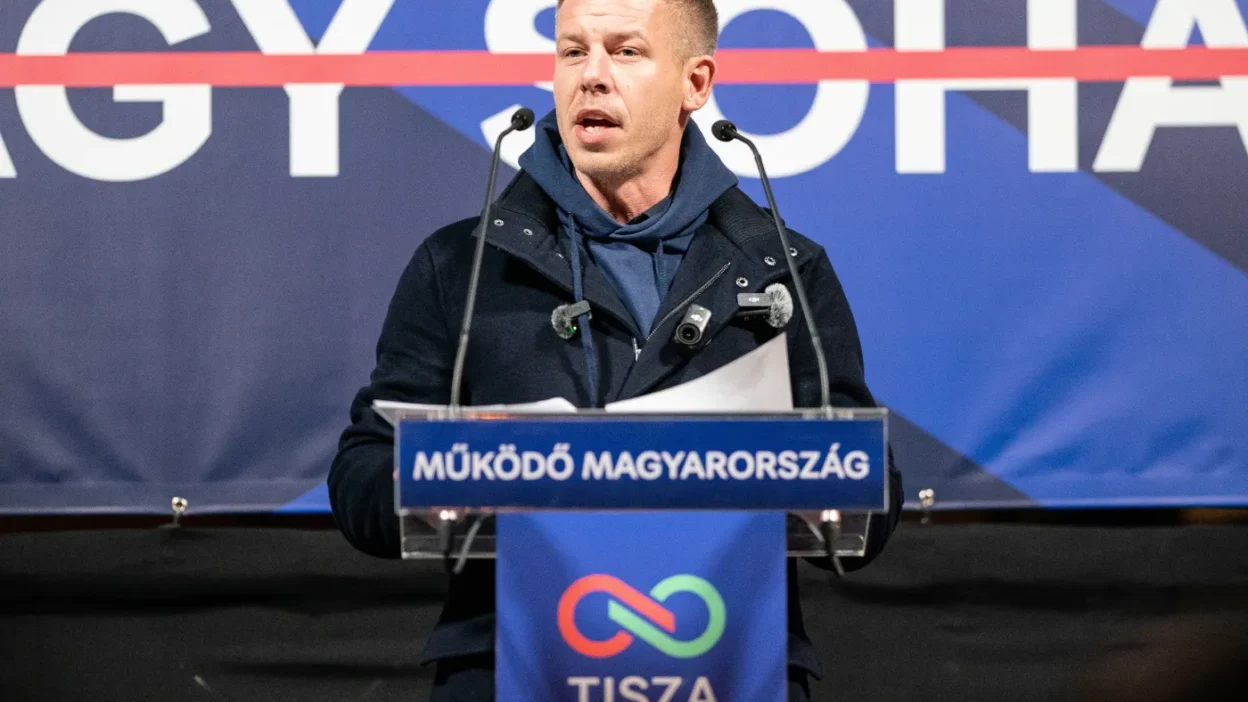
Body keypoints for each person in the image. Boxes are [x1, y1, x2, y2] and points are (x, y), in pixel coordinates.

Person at [328, 0, 903, 699]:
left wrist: (804, 481)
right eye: (573, 51)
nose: (591, 76)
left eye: (626, 51)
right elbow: (361, 475)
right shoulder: (463, 265)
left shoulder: (782, 267)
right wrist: (449, 470)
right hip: (511, 665)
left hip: (727, 661)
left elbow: (871, 498)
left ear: (695, 83)